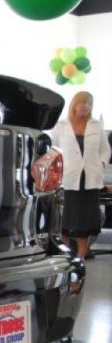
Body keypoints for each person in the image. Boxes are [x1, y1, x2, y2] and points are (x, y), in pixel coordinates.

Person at [50, 91, 111, 259]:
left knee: (86, 222)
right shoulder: (61, 126)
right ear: (74, 104)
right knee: (66, 220)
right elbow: (54, 150)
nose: (85, 105)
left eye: (88, 103)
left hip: (91, 178)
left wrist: (102, 164)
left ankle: (81, 258)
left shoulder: (96, 125)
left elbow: (105, 150)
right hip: (69, 178)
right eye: (82, 102)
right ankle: (64, 256)